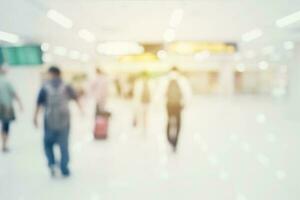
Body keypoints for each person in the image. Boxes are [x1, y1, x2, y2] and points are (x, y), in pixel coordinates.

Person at [33, 66, 82, 177]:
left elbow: (39, 103)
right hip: (64, 120)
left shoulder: (45, 87)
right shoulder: (67, 86)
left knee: (48, 144)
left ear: (51, 73)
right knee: (64, 145)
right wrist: (81, 110)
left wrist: (35, 117)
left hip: (49, 120)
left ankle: (52, 164)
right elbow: (76, 98)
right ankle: (64, 168)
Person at [165, 67, 191, 152]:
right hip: (173, 105)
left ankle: (173, 141)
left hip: (175, 105)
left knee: (175, 123)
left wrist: (185, 103)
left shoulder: (180, 81)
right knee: (172, 122)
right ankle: (171, 140)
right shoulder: (168, 81)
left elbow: (186, 93)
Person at [0, 65, 23, 152]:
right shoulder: (7, 81)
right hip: (6, 107)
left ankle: (3, 144)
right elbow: (14, 94)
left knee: (3, 126)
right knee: (5, 126)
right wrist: (20, 104)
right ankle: (4, 145)